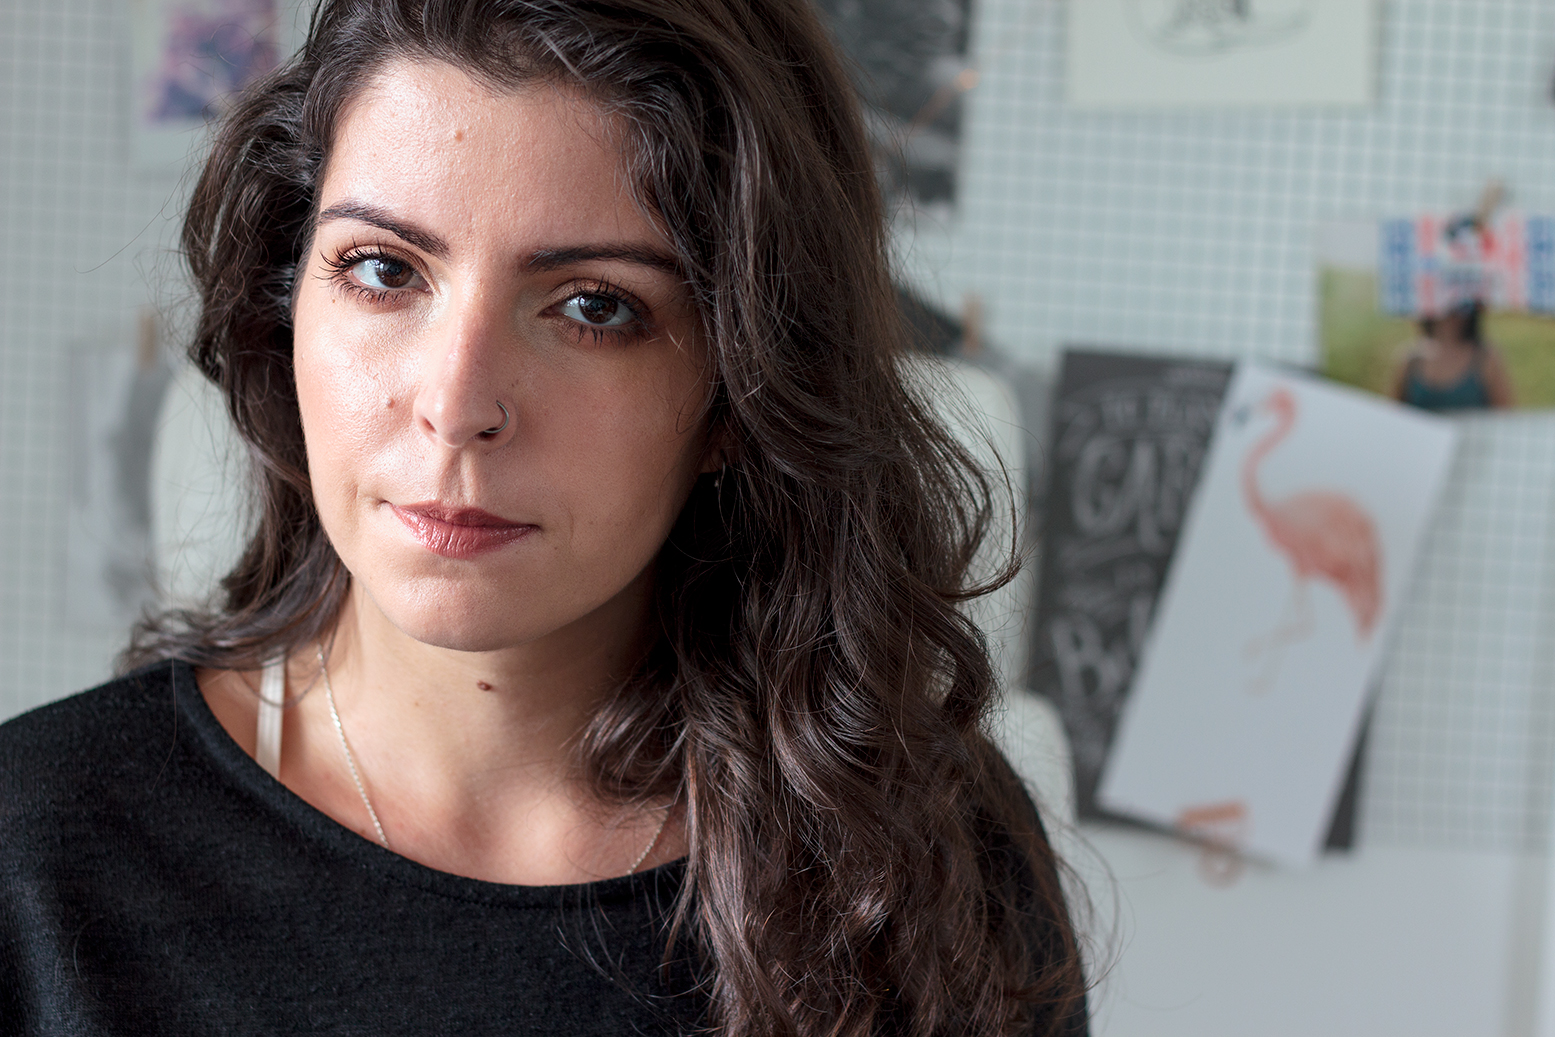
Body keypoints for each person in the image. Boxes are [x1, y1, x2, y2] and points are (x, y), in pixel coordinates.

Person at [0, 1, 1087, 1034]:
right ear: (284, 311)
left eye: (593, 306)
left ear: (740, 391)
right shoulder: (32, 857)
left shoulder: (928, 862)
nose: (457, 403)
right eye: (381, 269)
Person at [1391, 299, 1515, 412]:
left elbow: (1505, 416)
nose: (1450, 313)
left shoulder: (1486, 358)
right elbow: (1392, 414)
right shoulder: (1411, 359)